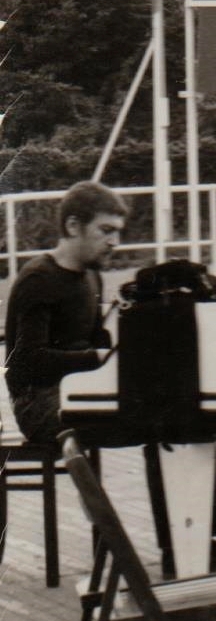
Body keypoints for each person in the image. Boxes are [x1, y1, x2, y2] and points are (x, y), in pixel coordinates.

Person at [4, 182, 127, 444]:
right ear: (73, 226)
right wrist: (95, 357)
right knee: (149, 419)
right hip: (38, 405)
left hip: (79, 389)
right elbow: (27, 362)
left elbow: (96, 343)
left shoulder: (92, 276)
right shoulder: (38, 279)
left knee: (160, 410)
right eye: (106, 231)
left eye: (118, 233)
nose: (114, 242)